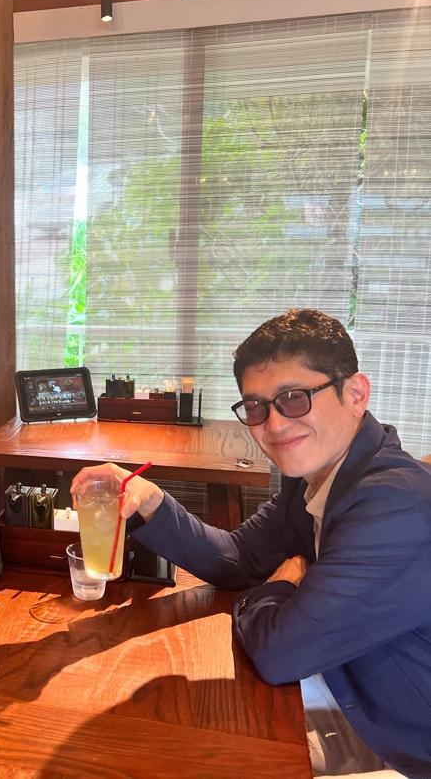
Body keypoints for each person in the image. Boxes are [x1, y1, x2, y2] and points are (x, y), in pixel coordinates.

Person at [72, 309, 431, 778]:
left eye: (295, 398)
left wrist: (277, 588)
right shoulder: (315, 477)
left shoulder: (394, 505)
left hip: (402, 744)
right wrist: (151, 502)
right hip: (345, 687)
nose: (274, 425)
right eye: (257, 407)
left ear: (356, 394)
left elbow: (281, 653)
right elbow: (237, 559)